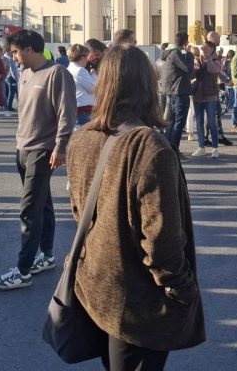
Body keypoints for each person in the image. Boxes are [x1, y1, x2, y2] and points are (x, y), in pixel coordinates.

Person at [63, 44, 204, 367]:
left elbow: (78, 209)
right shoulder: (149, 146)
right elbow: (161, 236)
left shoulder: (82, 138)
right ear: (147, 84)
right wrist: (182, 290)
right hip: (139, 296)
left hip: (96, 282)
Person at [0, 30, 77, 290]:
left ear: (29, 49)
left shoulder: (57, 74)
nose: (13, 58)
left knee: (29, 210)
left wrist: (60, 146)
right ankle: (46, 256)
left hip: (43, 149)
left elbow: (66, 114)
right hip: (23, 148)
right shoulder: (25, 74)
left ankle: (23, 270)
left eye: (15, 52)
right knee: (43, 204)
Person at [159, 32, 195, 153]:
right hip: (179, 92)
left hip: (171, 92)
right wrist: (190, 55)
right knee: (179, 122)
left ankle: (169, 148)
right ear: (185, 43)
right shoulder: (176, 53)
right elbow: (189, 71)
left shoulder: (168, 53)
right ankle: (174, 150)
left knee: (172, 122)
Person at [192, 41, 223, 158]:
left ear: (212, 49)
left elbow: (213, 70)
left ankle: (215, 148)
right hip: (198, 94)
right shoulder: (198, 59)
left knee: (211, 122)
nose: (203, 50)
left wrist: (208, 57)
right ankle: (201, 146)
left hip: (211, 95)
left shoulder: (216, 60)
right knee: (199, 122)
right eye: (203, 48)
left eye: (206, 48)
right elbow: (194, 73)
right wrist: (196, 63)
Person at [68, 44, 97, 128]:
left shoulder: (68, 69)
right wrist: (93, 75)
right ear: (83, 57)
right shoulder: (80, 70)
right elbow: (93, 88)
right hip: (83, 111)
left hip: (75, 110)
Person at [2, 48, 20, 114]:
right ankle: (9, 107)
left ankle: (6, 106)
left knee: (8, 92)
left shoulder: (5, 57)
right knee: (12, 93)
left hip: (7, 77)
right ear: (9, 51)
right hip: (11, 78)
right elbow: (13, 70)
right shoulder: (10, 59)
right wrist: (16, 78)